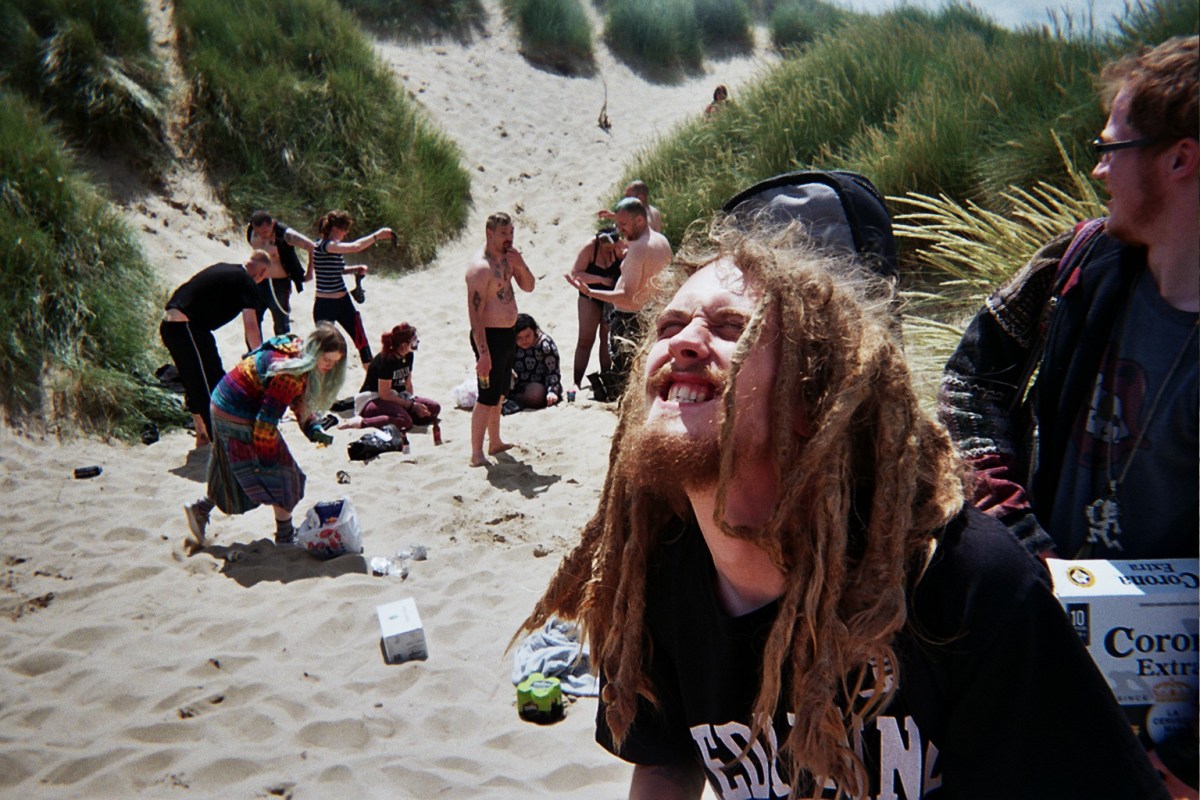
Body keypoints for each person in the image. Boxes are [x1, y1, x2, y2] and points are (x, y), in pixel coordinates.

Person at [518, 221, 1170, 800]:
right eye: (668, 326)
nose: (683, 341)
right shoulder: (653, 578)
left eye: (731, 328)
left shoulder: (962, 581)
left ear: (813, 398)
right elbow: (665, 758)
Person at [938, 36, 1198, 563]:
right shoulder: (1078, 261)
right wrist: (1014, 529)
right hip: (1045, 600)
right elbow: (970, 382)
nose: (1099, 170)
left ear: (1179, 159)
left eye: (1110, 149)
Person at [183, 323, 347, 547]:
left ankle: (200, 509)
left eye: (335, 362)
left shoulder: (298, 352)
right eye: (327, 360)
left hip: (223, 400)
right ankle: (285, 536)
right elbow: (265, 425)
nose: (329, 366)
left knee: (232, 467)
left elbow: (299, 403)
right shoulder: (290, 375)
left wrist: (313, 428)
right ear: (315, 351)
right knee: (285, 477)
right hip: (235, 410)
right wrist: (269, 464)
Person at [160, 251, 269, 447]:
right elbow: (251, 324)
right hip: (186, 327)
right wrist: (260, 357)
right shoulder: (246, 281)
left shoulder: (224, 268)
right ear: (261, 272)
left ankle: (202, 434)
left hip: (176, 326)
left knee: (200, 379)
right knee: (207, 384)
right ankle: (219, 438)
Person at [567, 196, 672, 396]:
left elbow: (628, 296)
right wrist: (618, 217)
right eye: (617, 223)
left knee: (626, 380)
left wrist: (590, 292)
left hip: (629, 319)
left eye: (623, 224)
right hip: (649, 313)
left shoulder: (639, 249)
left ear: (639, 220)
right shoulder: (660, 240)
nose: (619, 229)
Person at [466, 211, 535, 466]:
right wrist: (483, 354)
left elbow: (529, 286)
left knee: (501, 393)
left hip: (508, 333)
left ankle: (494, 441)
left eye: (511, 232)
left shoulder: (509, 259)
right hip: (488, 336)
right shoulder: (480, 269)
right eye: (504, 233)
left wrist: (521, 264)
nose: (509, 237)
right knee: (486, 396)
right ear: (490, 233)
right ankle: (476, 453)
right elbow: (475, 316)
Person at [311, 209, 394, 366]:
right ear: (336, 229)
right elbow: (355, 247)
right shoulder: (323, 245)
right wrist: (377, 235)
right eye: (345, 229)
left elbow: (338, 270)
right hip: (325, 305)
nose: (346, 233)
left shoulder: (334, 248)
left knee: (361, 341)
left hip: (343, 302)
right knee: (324, 349)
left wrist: (355, 269)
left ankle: (371, 375)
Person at [342, 323, 441, 432]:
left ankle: (400, 415)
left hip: (396, 396)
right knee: (405, 422)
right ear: (403, 345)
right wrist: (411, 406)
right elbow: (384, 394)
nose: (416, 342)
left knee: (434, 408)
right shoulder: (387, 360)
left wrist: (412, 402)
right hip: (374, 399)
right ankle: (361, 422)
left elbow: (407, 383)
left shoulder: (408, 355)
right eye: (413, 341)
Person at [567, 226, 624, 393]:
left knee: (606, 337)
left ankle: (606, 377)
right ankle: (576, 382)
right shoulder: (590, 248)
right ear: (600, 241)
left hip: (611, 296)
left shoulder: (619, 247)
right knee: (585, 338)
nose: (609, 251)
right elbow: (576, 274)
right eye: (606, 248)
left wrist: (622, 255)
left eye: (612, 247)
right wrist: (600, 279)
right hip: (589, 295)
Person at [247, 209, 316, 336]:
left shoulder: (284, 234)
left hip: (279, 284)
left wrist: (309, 272)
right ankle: (256, 347)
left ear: (272, 224)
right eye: (259, 232)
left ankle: (282, 347)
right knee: (253, 320)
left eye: (266, 232)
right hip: (258, 282)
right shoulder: (251, 232)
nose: (263, 235)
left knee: (281, 323)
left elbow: (312, 247)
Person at [508, 313, 563, 412]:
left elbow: (553, 372)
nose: (524, 341)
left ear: (534, 331)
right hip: (518, 383)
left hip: (541, 384)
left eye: (527, 336)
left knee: (536, 395)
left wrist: (552, 391)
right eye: (519, 338)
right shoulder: (512, 345)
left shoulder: (545, 345)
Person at [599, 179, 664, 233]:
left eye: (628, 197)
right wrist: (612, 215)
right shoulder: (655, 211)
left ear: (640, 197)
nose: (625, 200)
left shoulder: (643, 218)